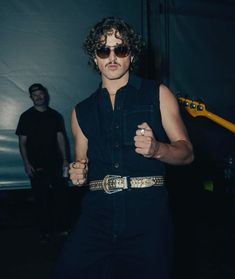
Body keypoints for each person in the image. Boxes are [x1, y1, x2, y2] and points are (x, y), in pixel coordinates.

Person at [53, 16, 194, 279]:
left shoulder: (158, 93)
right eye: (103, 50)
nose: (112, 56)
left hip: (148, 215)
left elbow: (186, 152)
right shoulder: (80, 111)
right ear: (95, 58)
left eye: (121, 48)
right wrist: (76, 174)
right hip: (97, 215)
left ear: (132, 55)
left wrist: (157, 150)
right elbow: (79, 166)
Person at [16, 83, 69, 242]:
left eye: (41, 94)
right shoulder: (26, 117)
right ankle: (44, 232)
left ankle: (62, 229)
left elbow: (61, 139)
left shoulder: (55, 115)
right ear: (31, 97)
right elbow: (22, 142)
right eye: (35, 95)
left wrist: (65, 160)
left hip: (56, 163)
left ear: (45, 95)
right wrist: (26, 163)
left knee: (60, 197)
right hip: (36, 165)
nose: (39, 97)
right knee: (41, 199)